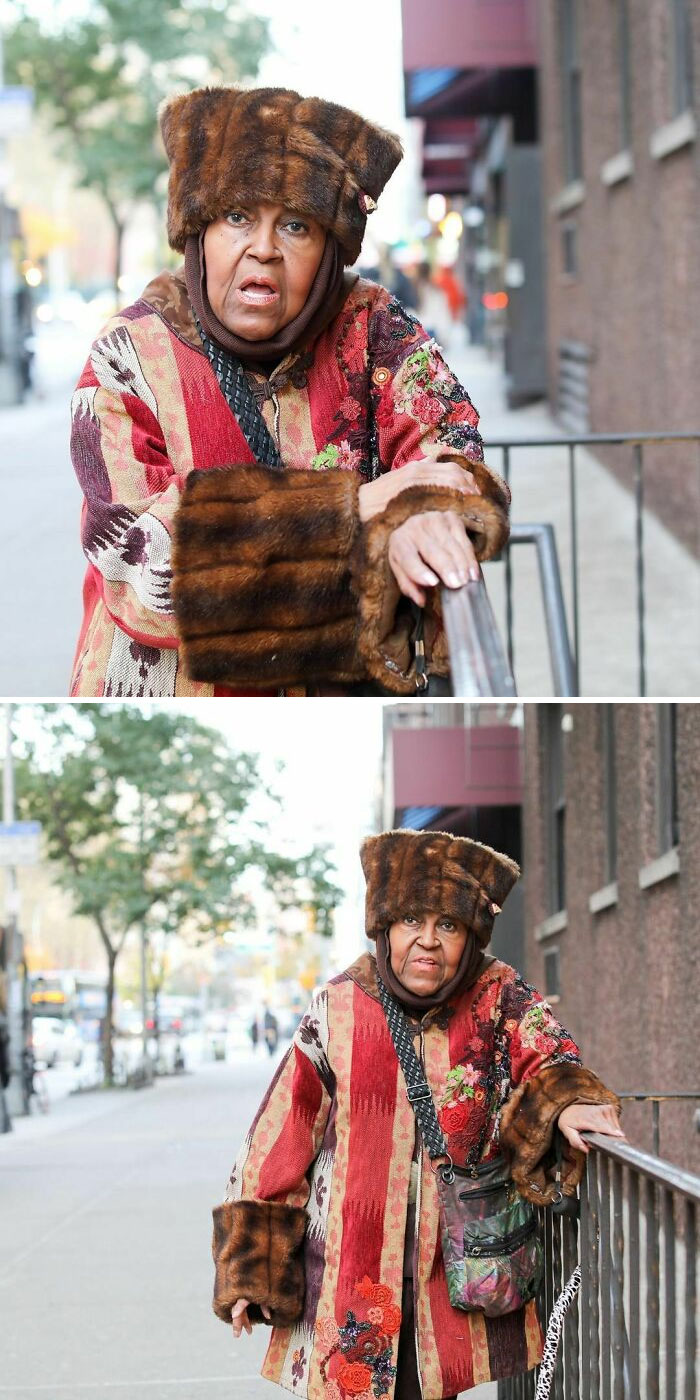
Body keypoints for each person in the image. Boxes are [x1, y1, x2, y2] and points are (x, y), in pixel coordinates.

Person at [68, 85, 511, 698]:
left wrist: (417, 511)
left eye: (296, 225)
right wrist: (360, 506)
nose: (264, 249)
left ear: (329, 247)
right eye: (238, 216)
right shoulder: (128, 356)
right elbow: (140, 574)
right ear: (199, 231)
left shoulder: (373, 328)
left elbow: (454, 464)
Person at [210, 829, 625, 1398]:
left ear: (470, 936)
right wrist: (250, 1270)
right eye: (410, 921)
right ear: (384, 928)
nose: (427, 942)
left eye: (448, 925)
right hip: (347, 1270)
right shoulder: (336, 1005)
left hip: (449, 1274)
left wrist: (569, 1101)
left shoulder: (496, 995)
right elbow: (284, 1130)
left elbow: (547, 1055)